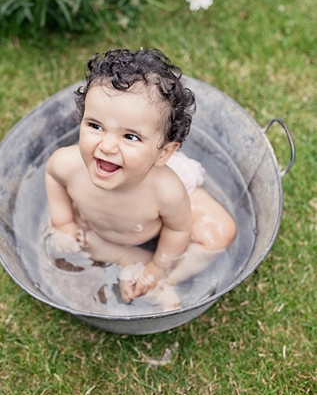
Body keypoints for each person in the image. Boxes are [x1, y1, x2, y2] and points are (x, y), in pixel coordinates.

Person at [44, 49, 237, 310]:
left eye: (130, 136)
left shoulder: (167, 190)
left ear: (164, 152)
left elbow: (178, 229)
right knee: (74, 240)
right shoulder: (68, 164)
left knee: (221, 233)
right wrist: (63, 221)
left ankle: (161, 281)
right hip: (105, 234)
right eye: (95, 126)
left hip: (163, 195)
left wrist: (158, 269)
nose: (107, 146)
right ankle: (129, 258)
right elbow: (52, 176)